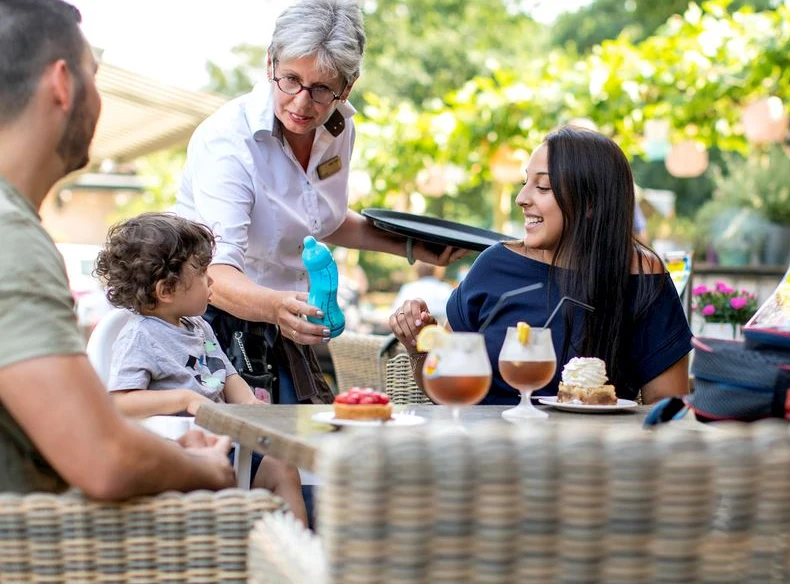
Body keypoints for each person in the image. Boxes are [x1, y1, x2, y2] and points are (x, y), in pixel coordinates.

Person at [174, 0, 464, 406]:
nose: (301, 103)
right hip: (217, 322)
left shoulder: (340, 127)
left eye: (322, 88)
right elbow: (216, 274)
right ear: (270, 63)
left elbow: (318, 220)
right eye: (290, 79)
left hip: (284, 318)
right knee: (254, 459)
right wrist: (279, 308)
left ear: (348, 86)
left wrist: (412, 246)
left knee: (302, 451)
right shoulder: (227, 141)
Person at [0, 0, 234, 497]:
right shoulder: (10, 238)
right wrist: (206, 471)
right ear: (63, 84)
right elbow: (104, 460)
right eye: (94, 76)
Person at [390, 127, 693, 405]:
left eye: (543, 187)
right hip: (482, 453)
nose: (522, 198)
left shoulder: (641, 277)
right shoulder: (495, 266)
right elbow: (443, 390)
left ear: (590, 203)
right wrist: (419, 349)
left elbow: (667, 408)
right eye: (525, 183)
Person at [95, 214, 307, 525]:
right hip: (183, 462)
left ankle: (296, 562)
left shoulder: (198, 327)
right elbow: (120, 402)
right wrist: (183, 399)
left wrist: (249, 406)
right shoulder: (140, 336)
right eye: (203, 272)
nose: (211, 281)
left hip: (227, 448)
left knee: (283, 467)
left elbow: (227, 374)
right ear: (166, 289)